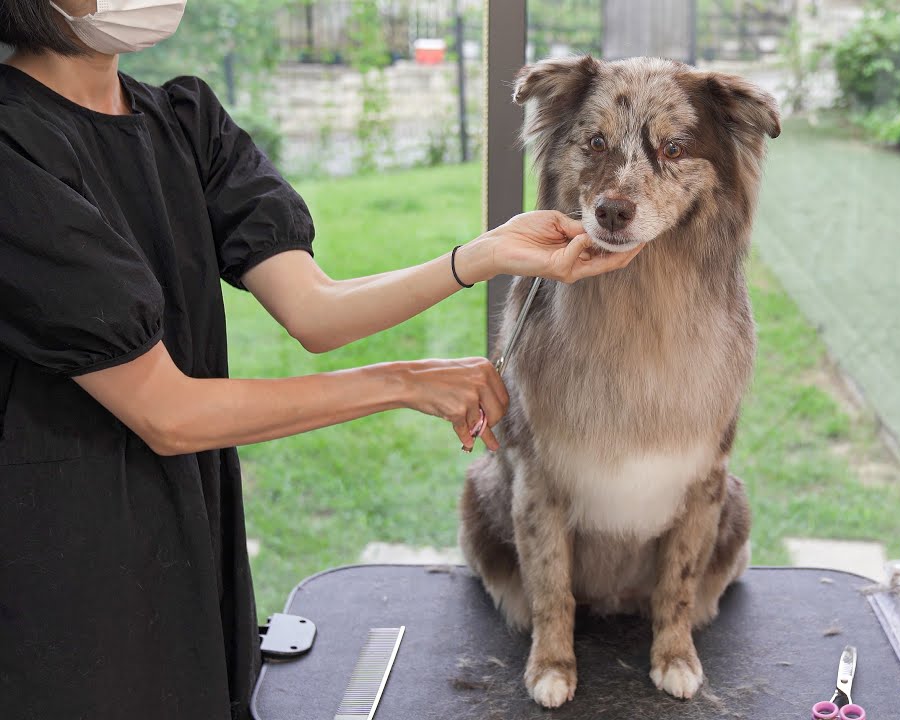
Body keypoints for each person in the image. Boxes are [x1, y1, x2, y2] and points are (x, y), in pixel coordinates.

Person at [0, 3, 641, 719]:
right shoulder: (13, 151)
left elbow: (314, 310)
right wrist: (402, 381)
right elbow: (166, 413)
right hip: (61, 559)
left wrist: (482, 255)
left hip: (185, 531)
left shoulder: (183, 123)